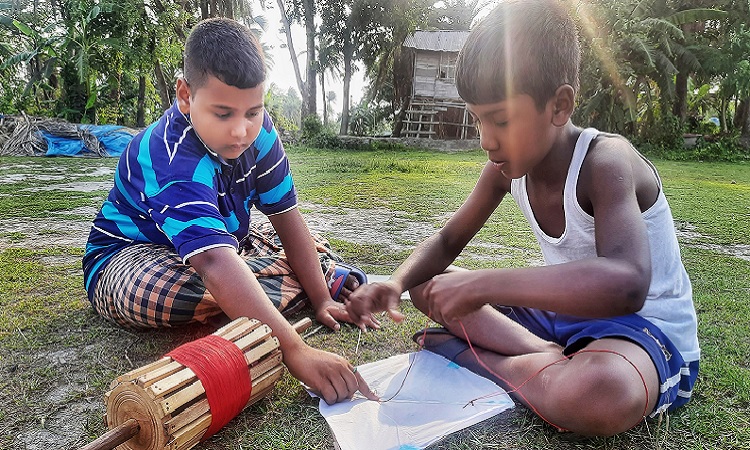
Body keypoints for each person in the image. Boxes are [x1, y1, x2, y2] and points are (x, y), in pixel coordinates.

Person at [346, 0, 699, 435]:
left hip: (645, 334)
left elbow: (626, 283)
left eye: (501, 120)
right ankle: (542, 356)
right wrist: (396, 283)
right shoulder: (504, 170)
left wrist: (482, 283)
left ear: (559, 105)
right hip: (562, 319)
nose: (485, 140)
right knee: (428, 282)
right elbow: (445, 243)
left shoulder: (605, 161)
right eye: (478, 120)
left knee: (600, 393)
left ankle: (477, 359)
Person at [82, 17, 378, 405]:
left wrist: (322, 301)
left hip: (226, 249)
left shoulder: (262, 135)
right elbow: (215, 264)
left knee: (293, 242)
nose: (241, 130)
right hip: (132, 259)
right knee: (157, 295)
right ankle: (301, 279)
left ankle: (284, 290)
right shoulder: (167, 153)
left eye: (253, 112)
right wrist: (295, 349)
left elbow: (287, 219)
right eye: (224, 114)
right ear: (186, 95)